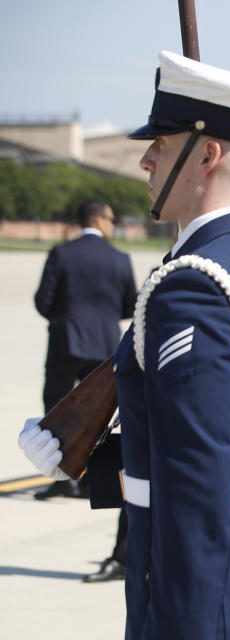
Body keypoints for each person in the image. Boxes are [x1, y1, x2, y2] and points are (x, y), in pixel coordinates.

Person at [20, 50, 230, 638]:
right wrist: (95, 464)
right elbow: (224, 440)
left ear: (207, 154)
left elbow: (197, 483)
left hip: (210, 601)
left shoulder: (195, 288)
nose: (145, 159)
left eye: (161, 142)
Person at [31, 199, 136, 501]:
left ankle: (63, 478)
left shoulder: (61, 253)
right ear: (101, 220)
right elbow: (130, 304)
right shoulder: (119, 258)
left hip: (66, 341)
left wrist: (66, 319)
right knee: (100, 415)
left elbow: (43, 302)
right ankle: (93, 481)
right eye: (113, 221)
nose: (113, 226)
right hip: (104, 347)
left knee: (56, 412)